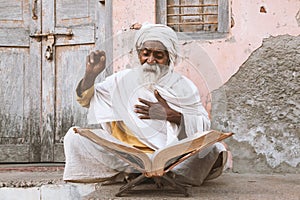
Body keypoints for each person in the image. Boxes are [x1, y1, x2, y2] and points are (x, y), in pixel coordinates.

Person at [63, 23, 228, 186]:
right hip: (126, 155)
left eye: (158, 55)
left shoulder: (184, 87)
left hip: (171, 158)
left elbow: (203, 125)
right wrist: (90, 75)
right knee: (74, 137)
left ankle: (150, 173)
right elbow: (85, 100)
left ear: (169, 57)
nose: (150, 60)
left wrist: (173, 115)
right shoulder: (120, 80)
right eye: (145, 53)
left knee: (214, 148)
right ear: (138, 54)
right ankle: (139, 172)